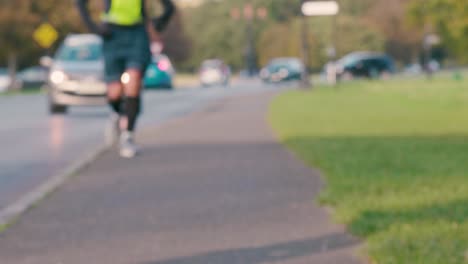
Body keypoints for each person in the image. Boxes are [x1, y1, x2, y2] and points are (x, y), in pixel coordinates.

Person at [76, 0, 175, 158]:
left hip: (137, 34)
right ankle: (118, 115)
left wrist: (160, 22)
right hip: (112, 34)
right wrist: (94, 27)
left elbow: (169, 6)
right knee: (114, 93)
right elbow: (80, 3)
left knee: (133, 81)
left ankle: (127, 136)